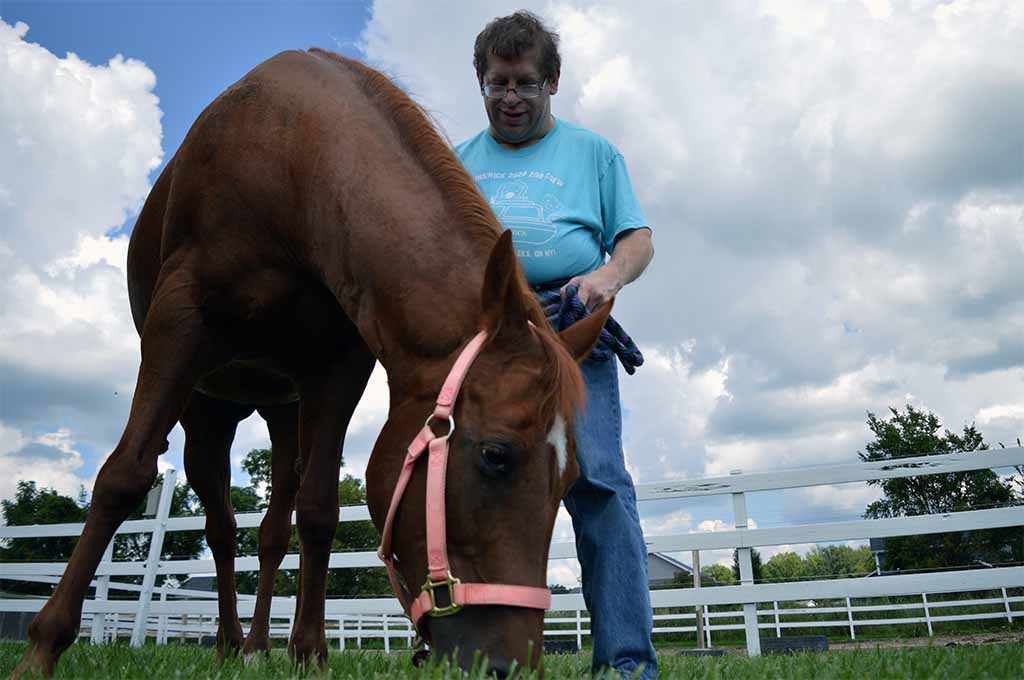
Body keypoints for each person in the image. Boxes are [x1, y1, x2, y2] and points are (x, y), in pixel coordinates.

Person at [454, 11, 657, 679]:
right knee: (474, 485)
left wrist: (606, 275)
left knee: (599, 483)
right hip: (487, 343)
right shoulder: (457, 164)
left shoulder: (594, 153)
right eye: (496, 84)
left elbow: (636, 239)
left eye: (524, 85)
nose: (509, 98)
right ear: (480, 83)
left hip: (572, 333)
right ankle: (473, 654)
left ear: (553, 83)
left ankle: (626, 661)